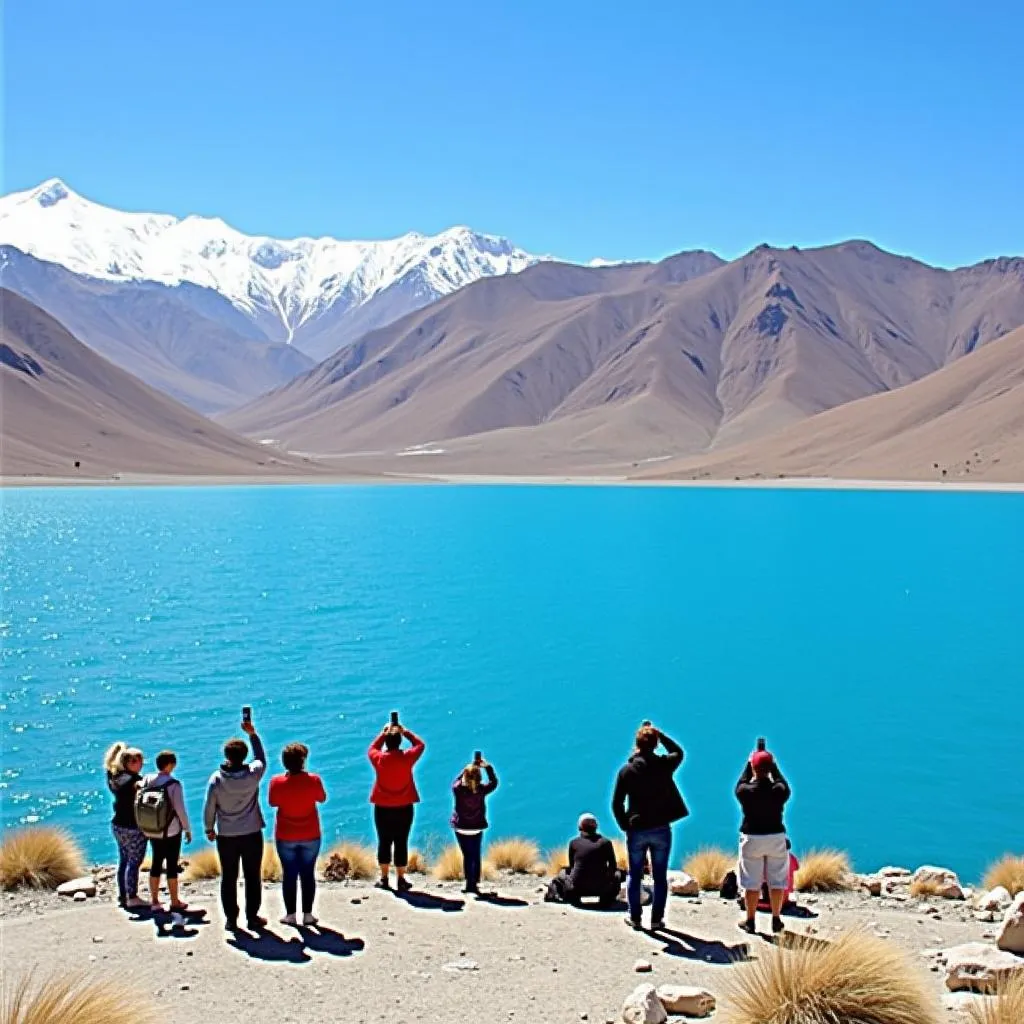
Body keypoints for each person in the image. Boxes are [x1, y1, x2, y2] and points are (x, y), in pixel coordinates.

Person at [612, 722, 688, 931]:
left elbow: (617, 803)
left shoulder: (626, 771)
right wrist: (660, 734)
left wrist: (624, 825)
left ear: (636, 744)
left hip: (636, 828)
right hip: (661, 828)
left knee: (635, 874)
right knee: (659, 876)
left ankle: (635, 917)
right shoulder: (663, 765)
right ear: (655, 745)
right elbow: (678, 752)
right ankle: (656, 919)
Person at [203, 716, 267, 931]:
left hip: (227, 835)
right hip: (251, 833)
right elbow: (261, 758)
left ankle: (231, 918)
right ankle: (252, 917)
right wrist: (253, 734)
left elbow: (209, 806)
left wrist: (209, 828)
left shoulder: (217, 779)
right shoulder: (253, 775)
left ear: (226, 756)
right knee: (252, 876)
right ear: (244, 756)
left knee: (228, 877)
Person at [268, 742, 327, 926]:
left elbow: (272, 802)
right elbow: (322, 798)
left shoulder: (277, 782)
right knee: (308, 874)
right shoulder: (313, 780)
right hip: (311, 834)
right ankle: (308, 915)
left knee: (289, 874)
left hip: (286, 835)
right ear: (303, 761)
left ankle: (291, 915)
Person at [735, 747, 791, 934]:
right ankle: (776, 918)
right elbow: (782, 782)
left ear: (753, 768)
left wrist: (749, 763)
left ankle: (750, 920)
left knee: (751, 882)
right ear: (770, 769)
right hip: (775, 837)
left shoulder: (745, 792)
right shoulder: (779, 791)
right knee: (777, 880)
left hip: (752, 838)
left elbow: (741, 782)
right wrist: (772, 766)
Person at [368, 719, 425, 891]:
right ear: (400, 741)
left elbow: (372, 749)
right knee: (401, 841)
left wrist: (383, 733)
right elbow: (420, 745)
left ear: (386, 741)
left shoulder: (378, 759)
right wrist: (405, 731)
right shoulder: (407, 758)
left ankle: (384, 878)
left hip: (382, 807)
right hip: (404, 807)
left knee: (384, 841)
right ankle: (401, 879)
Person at [139, 750, 192, 912]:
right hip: (171, 830)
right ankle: (174, 901)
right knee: (171, 865)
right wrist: (187, 829)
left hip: (152, 829)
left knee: (156, 862)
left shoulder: (147, 779)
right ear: (170, 765)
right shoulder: (173, 784)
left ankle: (154, 901)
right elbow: (180, 809)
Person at [103, 741, 148, 909]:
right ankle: (132, 896)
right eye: (138, 761)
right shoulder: (135, 781)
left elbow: (110, 764)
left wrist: (119, 749)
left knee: (124, 860)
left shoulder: (113, 776)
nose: (141, 764)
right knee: (135, 861)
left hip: (117, 825)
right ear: (130, 763)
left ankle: (123, 895)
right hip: (132, 826)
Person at [545, 813, 623, 907]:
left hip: (577, 888)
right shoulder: (606, 842)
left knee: (563, 871)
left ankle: (571, 897)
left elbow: (572, 866)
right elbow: (612, 866)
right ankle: (606, 898)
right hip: (602, 888)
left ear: (579, 827)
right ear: (596, 827)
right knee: (618, 873)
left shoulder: (573, 843)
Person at [450, 754, 498, 895]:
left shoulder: (458, 790)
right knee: (475, 854)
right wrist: (487, 767)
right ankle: (474, 884)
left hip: (461, 828)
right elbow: (494, 782)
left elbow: (455, 781)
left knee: (467, 855)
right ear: (479, 778)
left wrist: (466, 770)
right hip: (476, 828)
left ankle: (468, 884)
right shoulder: (482, 790)